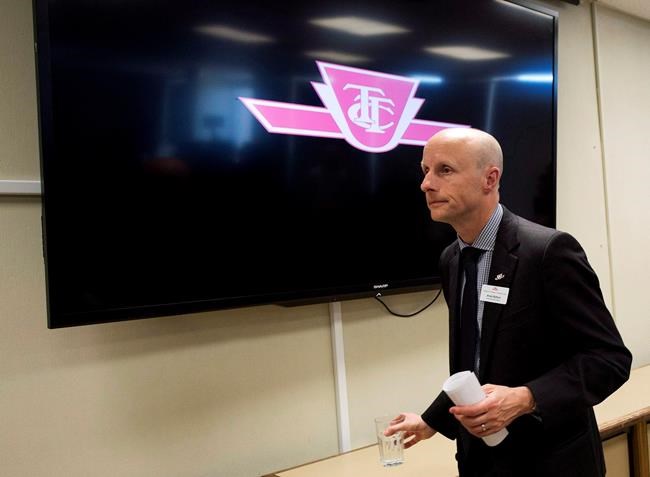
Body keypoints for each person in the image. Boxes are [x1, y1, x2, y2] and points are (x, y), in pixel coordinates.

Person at [385, 128, 632, 476]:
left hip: (552, 460)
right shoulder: (451, 260)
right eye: (425, 171)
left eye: (444, 170)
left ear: (490, 178)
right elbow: (477, 359)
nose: (426, 184)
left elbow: (609, 359)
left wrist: (526, 397)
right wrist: (431, 421)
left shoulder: (547, 252)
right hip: (480, 462)